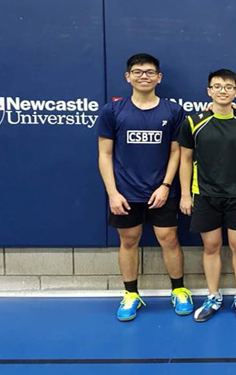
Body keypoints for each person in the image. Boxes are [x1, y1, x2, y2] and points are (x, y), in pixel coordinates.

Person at [97, 53, 192, 322]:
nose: (144, 76)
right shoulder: (112, 111)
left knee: (169, 239)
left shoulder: (173, 111)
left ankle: (179, 290)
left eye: (150, 72)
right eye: (137, 72)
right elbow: (104, 154)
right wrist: (113, 193)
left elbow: (176, 152)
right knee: (128, 241)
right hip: (125, 193)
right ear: (128, 77)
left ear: (158, 78)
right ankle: (130, 294)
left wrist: (165, 185)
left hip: (162, 191)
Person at [178, 69, 236, 322]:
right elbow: (185, 160)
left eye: (229, 87)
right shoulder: (193, 122)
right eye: (217, 86)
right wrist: (185, 195)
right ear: (208, 91)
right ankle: (213, 296)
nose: (223, 91)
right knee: (211, 246)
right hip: (204, 194)